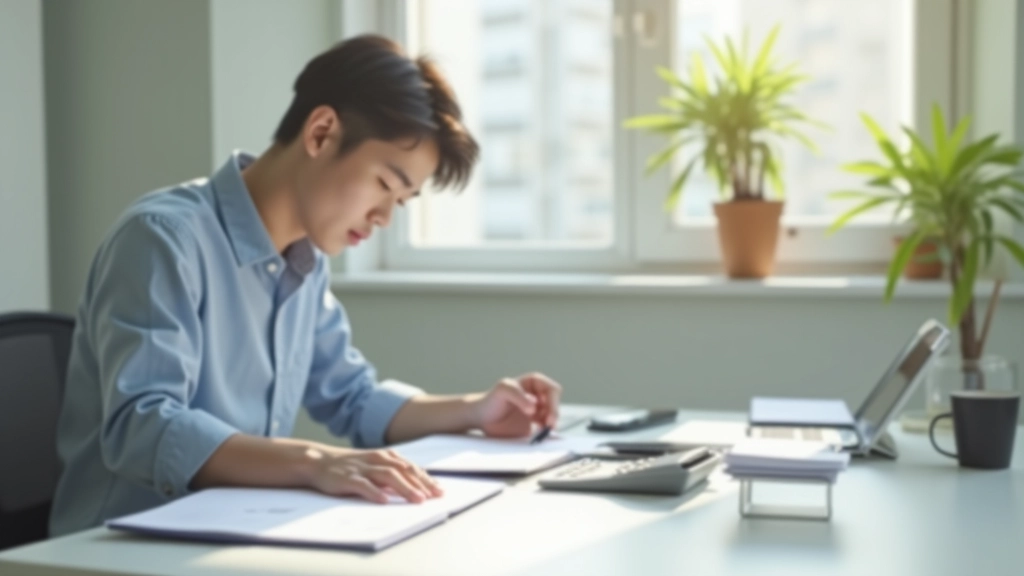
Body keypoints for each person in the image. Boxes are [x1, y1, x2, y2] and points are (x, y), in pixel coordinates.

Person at [49, 34, 563, 537]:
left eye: (402, 201)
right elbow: (143, 428)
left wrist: (476, 409)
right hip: (113, 552)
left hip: (233, 538)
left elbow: (353, 398)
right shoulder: (164, 238)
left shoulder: (305, 263)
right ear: (321, 133)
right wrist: (317, 462)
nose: (385, 216)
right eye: (385, 184)